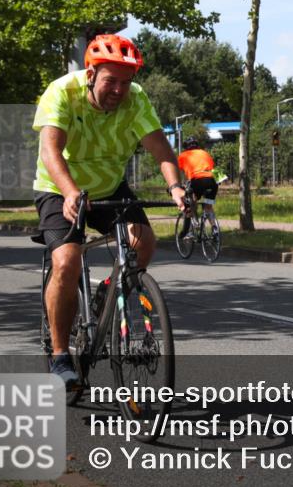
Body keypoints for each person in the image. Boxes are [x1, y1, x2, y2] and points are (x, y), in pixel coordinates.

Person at [32, 34, 187, 389]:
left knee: (144, 243)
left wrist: (175, 187)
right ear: (90, 74)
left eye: (126, 82)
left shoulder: (136, 99)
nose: (120, 90)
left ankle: (108, 290)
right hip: (60, 187)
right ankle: (59, 355)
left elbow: (160, 148)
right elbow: (51, 151)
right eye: (111, 81)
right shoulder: (61, 92)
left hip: (109, 185)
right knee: (67, 262)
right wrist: (71, 193)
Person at [177, 136, 219, 236]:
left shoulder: (183, 155)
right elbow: (214, 169)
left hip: (198, 180)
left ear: (186, 147)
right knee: (208, 207)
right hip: (212, 182)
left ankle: (194, 225)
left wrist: (177, 186)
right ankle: (214, 228)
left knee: (192, 200)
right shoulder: (205, 153)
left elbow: (178, 172)